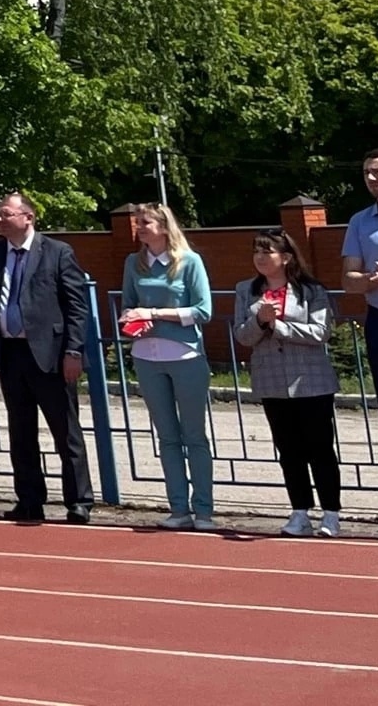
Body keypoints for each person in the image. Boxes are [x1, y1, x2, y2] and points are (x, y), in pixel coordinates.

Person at [0, 190, 93, 524]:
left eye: (6, 214)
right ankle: (29, 499)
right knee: (21, 432)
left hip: (50, 355)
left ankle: (79, 501)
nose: (0, 219)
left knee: (65, 432)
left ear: (28, 217)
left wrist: (73, 351)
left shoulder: (57, 252)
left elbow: (76, 306)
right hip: (9, 354)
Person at [235, 228, 341, 538]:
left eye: (267, 251)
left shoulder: (311, 290)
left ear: (285, 257)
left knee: (320, 448)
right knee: (289, 450)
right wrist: (259, 321)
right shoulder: (246, 290)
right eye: (256, 251)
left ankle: (331, 513)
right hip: (272, 381)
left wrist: (279, 326)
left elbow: (321, 332)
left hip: (311, 380)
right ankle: (299, 512)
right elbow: (242, 336)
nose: (260, 257)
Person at [118, 201, 215, 531]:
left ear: (163, 226)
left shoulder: (189, 261)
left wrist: (155, 314)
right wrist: (130, 318)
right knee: (167, 437)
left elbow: (203, 311)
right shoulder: (133, 262)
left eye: (145, 222)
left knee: (194, 436)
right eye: (138, 223)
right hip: (147, 357)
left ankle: (204, 511)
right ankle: (178, 509)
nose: (139, 228)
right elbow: (129, 304)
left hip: (185, 356)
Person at [339, 144, 378, 538]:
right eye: (366, 172)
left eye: (377, 171)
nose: (371, 178)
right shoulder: (360, 222)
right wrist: (369, 281)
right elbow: (348, 279)